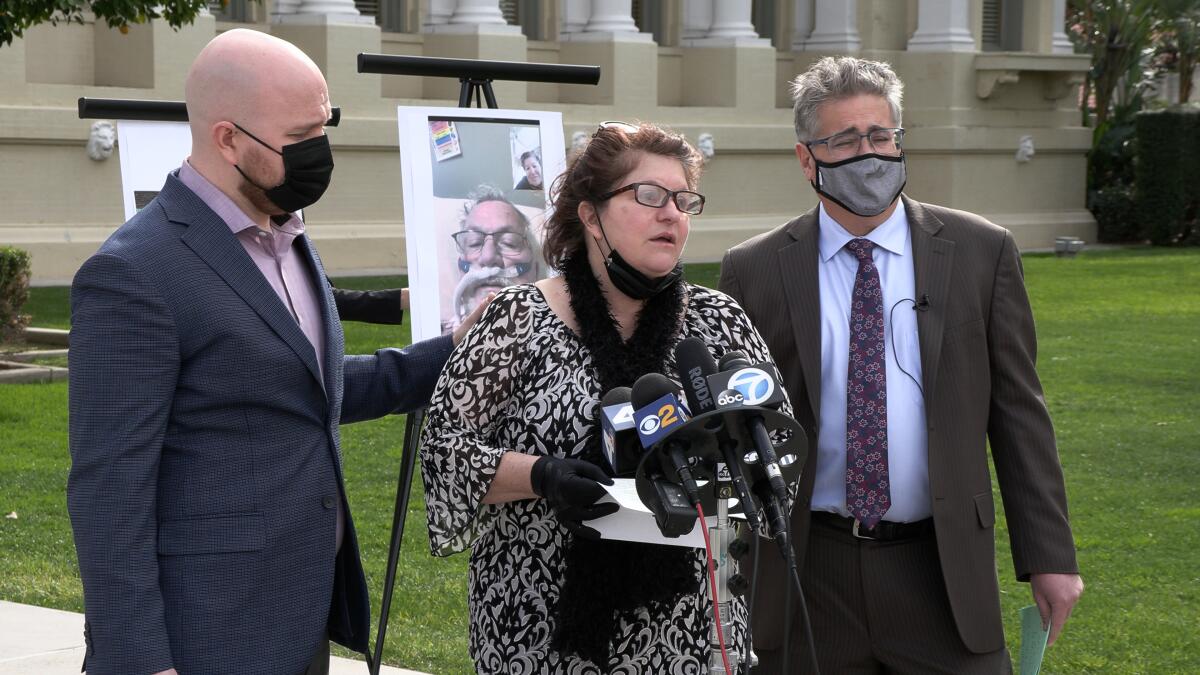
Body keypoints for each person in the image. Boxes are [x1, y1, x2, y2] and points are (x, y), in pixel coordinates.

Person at [66, 29, 486, 675]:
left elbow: (302, 389)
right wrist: (140, 661)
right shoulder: (133, 273)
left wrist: (453, 349)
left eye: (325, 126)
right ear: (227, 138)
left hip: (298, 618)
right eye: (299, 138)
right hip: (202, 636)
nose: (320, 153)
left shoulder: (285, 232)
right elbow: (108, 490)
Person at [719, 56, 1083, 673]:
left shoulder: (978, 251)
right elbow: (737, 426)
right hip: (811, 567)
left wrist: (1049, 553)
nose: (870, 155)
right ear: (807, 159)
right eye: (845, 140)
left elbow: (1019, 410)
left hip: (939, 567)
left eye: (881, 136)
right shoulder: (754, 269)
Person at [419, 121, 791, 672]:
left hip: (689, 630)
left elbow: (776, 459)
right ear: (591, 214)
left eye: (683, 200)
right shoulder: (516, 320)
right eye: (649, 196)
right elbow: (443, 453)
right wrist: (542, 474)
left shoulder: (719, 322)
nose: (672, 213)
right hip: (538, 626)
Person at [444, 185, 541, 333]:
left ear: (535, 269)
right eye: (474, 242)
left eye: (509, 242)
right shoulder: (435, 346)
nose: (488, 257)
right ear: (460, 269)